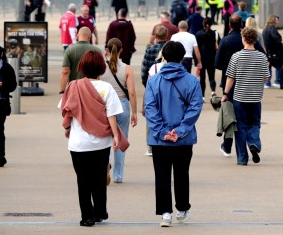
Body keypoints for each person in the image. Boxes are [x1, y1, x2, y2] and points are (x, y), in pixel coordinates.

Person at [59, 51, 124, 227]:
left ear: (81, 67)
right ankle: (100, 212)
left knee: (83, 181)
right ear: (101, 69)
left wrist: (68, 128)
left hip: (78, 143)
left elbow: (65, 111)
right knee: (99, 178)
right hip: (101, 143)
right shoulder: (106, 88)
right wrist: (116, 137)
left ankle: (87, 216)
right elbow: (112, 116)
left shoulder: (73, 86)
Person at [144, 41, 204, 227]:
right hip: (183, 139)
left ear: (163, 56)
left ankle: (165, 213)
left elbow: (150, 108)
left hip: (159, 139)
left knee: (161, 176)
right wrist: (180, 131)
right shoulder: (192, 80)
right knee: (181, 173)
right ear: (182, 57)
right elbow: (195, 107)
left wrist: (162, 132)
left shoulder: (154, 80)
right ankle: (182, 208)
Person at [222, 26, 270, 165]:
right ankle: (254, 143)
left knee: (240, 126)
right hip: (256, 97)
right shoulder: (262, 57)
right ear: (255, 40)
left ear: (243, 39)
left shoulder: (236, 56)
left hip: (239, 97)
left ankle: (242, 158)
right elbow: (266, 78)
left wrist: (225, 93)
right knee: (255, 123)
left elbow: (230, 77)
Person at [102, 38, 138, 183]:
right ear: (121, 50)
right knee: (121, 140)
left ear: (107, 50)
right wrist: (134, 112)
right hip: (122, 103)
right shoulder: (127, 68)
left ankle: (106, 164)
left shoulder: (101, 67)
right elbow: (132, 92)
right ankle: (118, 175)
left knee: (105, 140)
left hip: (105, 105)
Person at [60, 27, 102, 94]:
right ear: (90, 37)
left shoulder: (69, 50)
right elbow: (100, 73)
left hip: (74, 88)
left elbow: (65, 71)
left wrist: (62, 90)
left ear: (77, 35)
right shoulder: (97, 51)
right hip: (92, 89)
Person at [196, 18, 219, 97]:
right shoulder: (215, 33)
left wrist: (197, 61)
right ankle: (213, 91)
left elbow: (196, 48)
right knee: (212, 77)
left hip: (202, 59)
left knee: (202, 78)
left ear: (203, 24)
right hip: (212, 58)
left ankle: (202, 96)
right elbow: (219, 46)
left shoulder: (198, 34)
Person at [261, 15, 283, 88]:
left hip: (268, 52)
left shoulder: (265, 29)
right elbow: (274, 36)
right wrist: (282, 41)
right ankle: (277, 81)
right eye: (276, 20)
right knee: (278, 66)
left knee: (268, 67)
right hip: (276, 51)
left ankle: (267, 83)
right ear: (273, 20)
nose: (278, 22)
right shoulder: (272, 28)